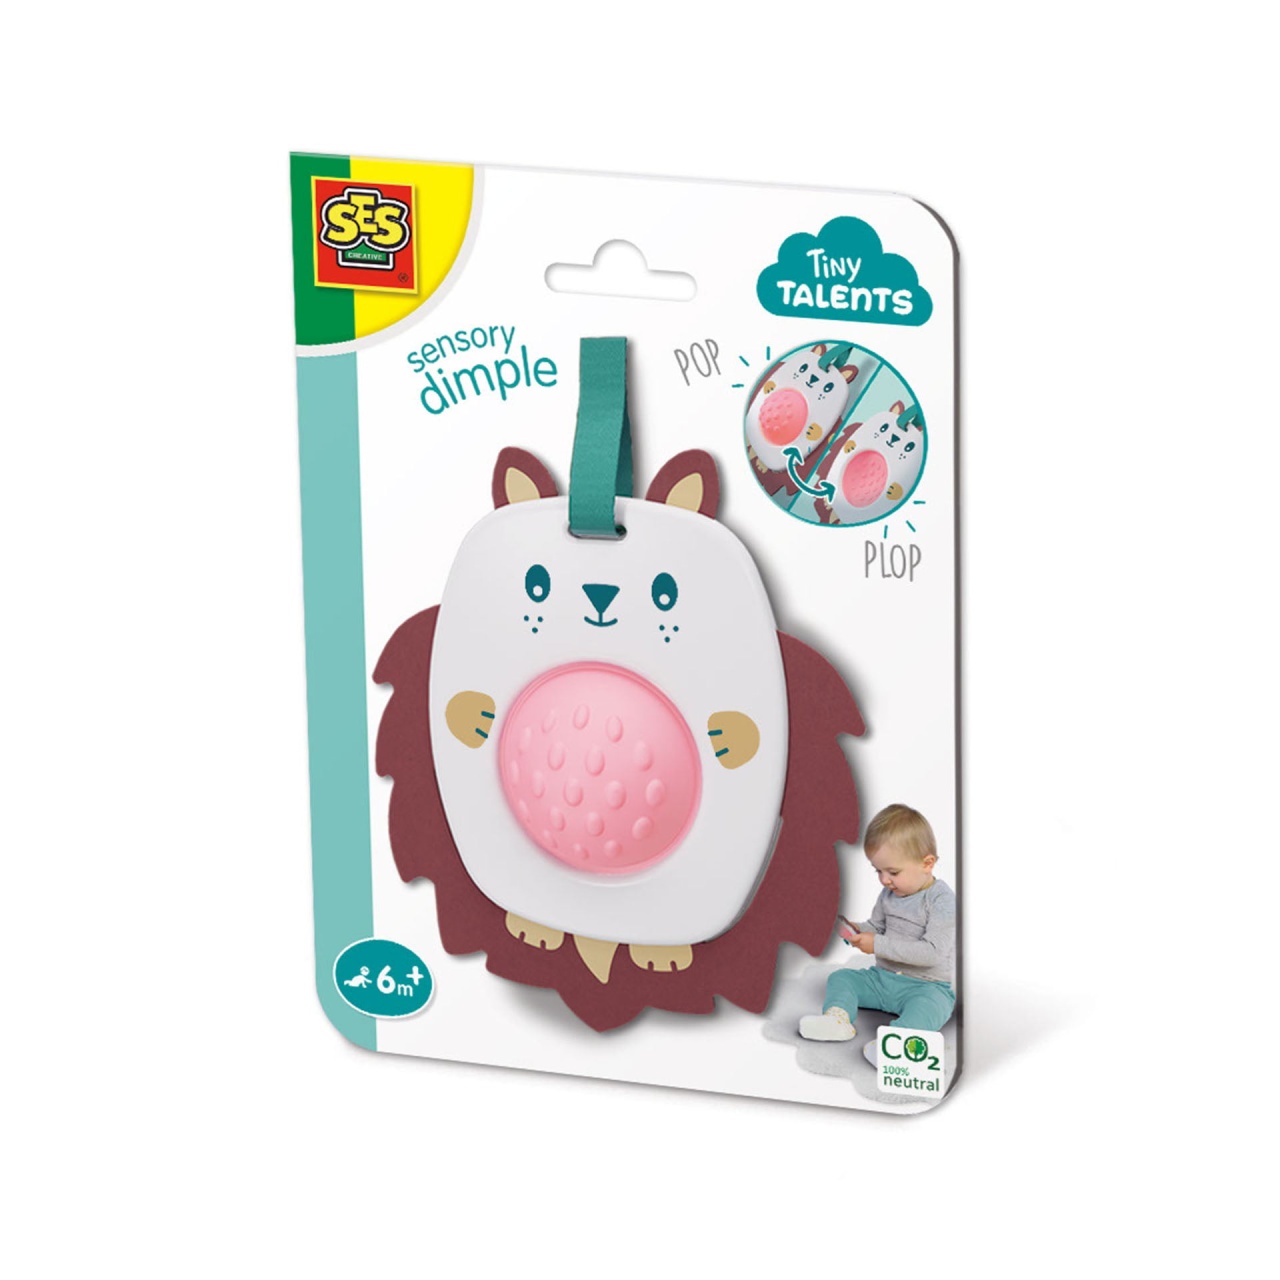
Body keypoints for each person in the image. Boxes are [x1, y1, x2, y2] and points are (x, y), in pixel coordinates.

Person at [799, 804, 955, 1058]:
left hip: (927, 987)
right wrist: (855, 930)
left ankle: (894, 1045)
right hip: (883, 980)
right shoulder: (889, 893)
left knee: (929, 1009)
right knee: (841, 978)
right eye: (878, 871)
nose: (884, 880)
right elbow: (877, 928)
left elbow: (932, 953)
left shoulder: (942, 901)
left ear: (927, 863)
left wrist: (877, 944)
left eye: (893, 872)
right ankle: (837, 1020)